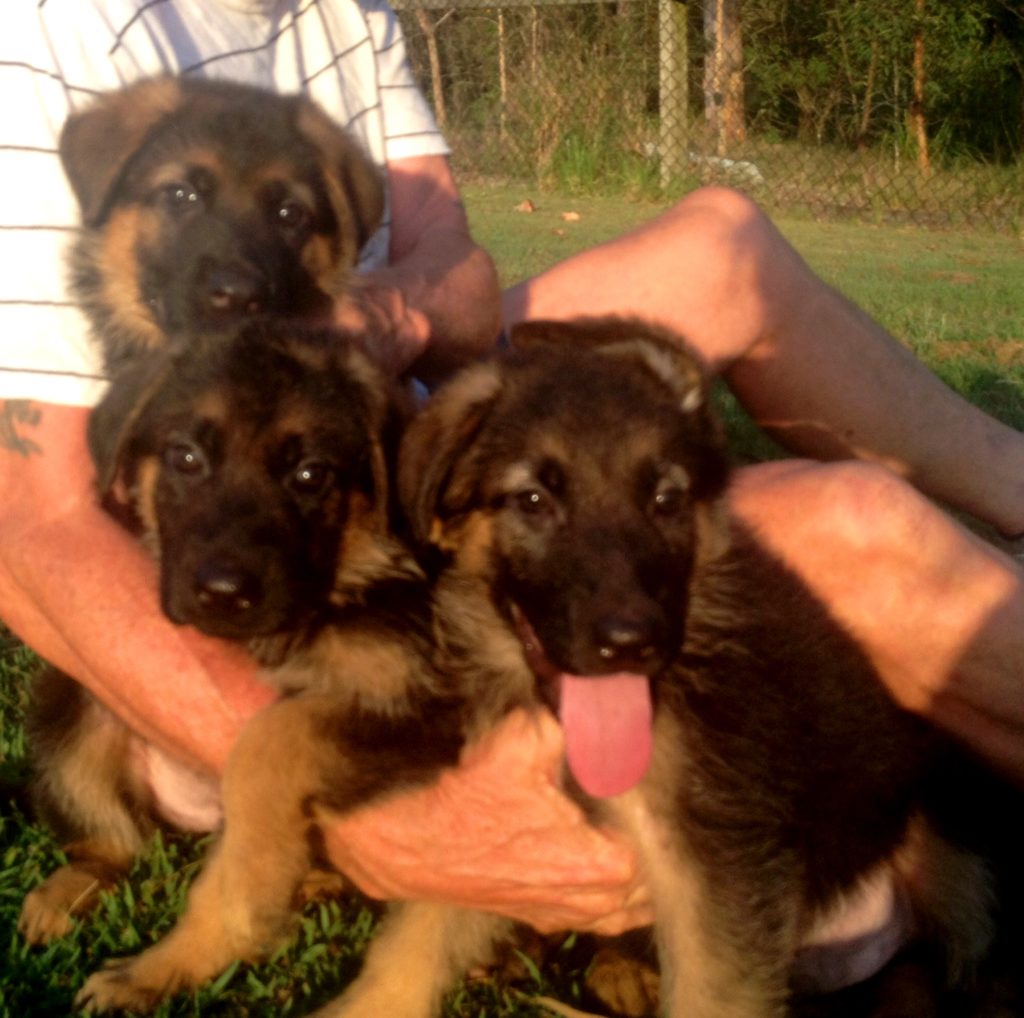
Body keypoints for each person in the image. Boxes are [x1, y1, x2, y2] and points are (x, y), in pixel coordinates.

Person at [2, 0, 1023, 993]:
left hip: (375, 432)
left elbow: (461, 280)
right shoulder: (47, 29)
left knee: (724, 244)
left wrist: (372, 326)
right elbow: (28, 511)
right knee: (856, 537)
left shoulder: (350, 8)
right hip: (250, 506)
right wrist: (378, 813)